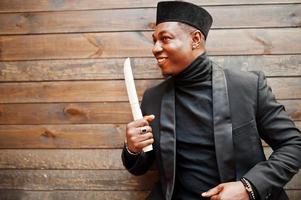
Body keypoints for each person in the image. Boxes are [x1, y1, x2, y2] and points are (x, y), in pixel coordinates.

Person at [121, 1, 301, 200]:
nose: (155, 48)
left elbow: (294, 145)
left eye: (165, 38)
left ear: (195, 39)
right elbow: (141, 167)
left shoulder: (248, 86)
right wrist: (132, 148)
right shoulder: (153, 97)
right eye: (154, 40)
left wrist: (249, 188)